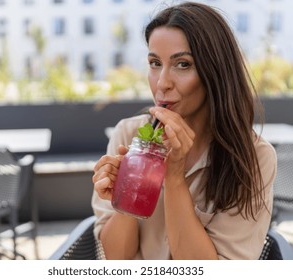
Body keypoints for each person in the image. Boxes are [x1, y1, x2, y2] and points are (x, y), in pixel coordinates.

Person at [91, 1, 277, 260]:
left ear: (215, 72)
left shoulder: (255, 157)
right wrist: (126, 196)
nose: (162, 83)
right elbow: (117, 260)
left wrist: (175, 177)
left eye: (183, 64)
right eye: (155, 63)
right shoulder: (128, 135)